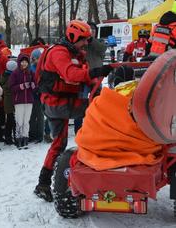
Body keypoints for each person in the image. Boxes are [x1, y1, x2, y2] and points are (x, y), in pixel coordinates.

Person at [33, 20, 113, 202]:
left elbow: (84, 75)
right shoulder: (59, 52)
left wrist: (97, 86)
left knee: (58, 144)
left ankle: (43, 183)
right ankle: (97, 153)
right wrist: (96, 72)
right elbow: (71, 74)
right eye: (83, 40)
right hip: (57, 104)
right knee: (99, 112)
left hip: (66, 102)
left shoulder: (75, 53)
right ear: (73, 36)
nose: (86, 44)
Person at [9, 53, 36, 149]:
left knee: (26, 121)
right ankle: (18, 138)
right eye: (22, 62)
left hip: (29, 100)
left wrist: (33, 85)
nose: (24, 64)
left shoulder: (31, 73)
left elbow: (35, 86)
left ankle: (25, 137)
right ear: (19, 62)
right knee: (19, 121)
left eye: (26, 62)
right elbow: (11, 87)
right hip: (19, 100)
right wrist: (22, 86)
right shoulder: (15, 73)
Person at [28, 49, 44, 144]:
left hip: (40, 94)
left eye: (37, 58)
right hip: (31, 94)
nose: (35, 60)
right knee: (32, 116)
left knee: (40, 115)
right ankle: (32, 134)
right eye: (33, 58)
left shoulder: (43, 68)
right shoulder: (30, 68)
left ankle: (39, 135)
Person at [0, 60, 17, 145]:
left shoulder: (4, 75)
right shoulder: (10, 76)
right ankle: (9, 137)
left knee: (11, 120)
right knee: (11, 120)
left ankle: (10, 137)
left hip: (9, 101)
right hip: (10, 101)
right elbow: (9, 88)